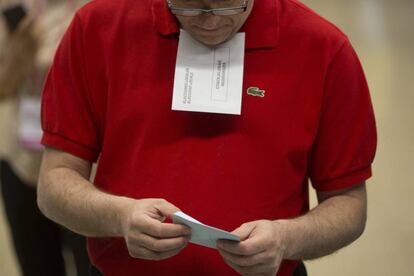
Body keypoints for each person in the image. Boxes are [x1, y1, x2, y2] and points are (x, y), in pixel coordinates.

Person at [37, 0, 377, 275]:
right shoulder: (96, 29)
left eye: (228, 5)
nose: (210, 22)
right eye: (190, 6)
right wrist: (120, 217)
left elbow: (348, 204)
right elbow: (54, 184)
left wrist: (287, 239)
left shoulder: (323, 48)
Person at [0, 0, 90, 275]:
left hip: (82, 168)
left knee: (88, 262)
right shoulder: (15, 10)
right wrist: (19, 55)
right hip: (20, 160)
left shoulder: (94, 10)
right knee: (36, 265)